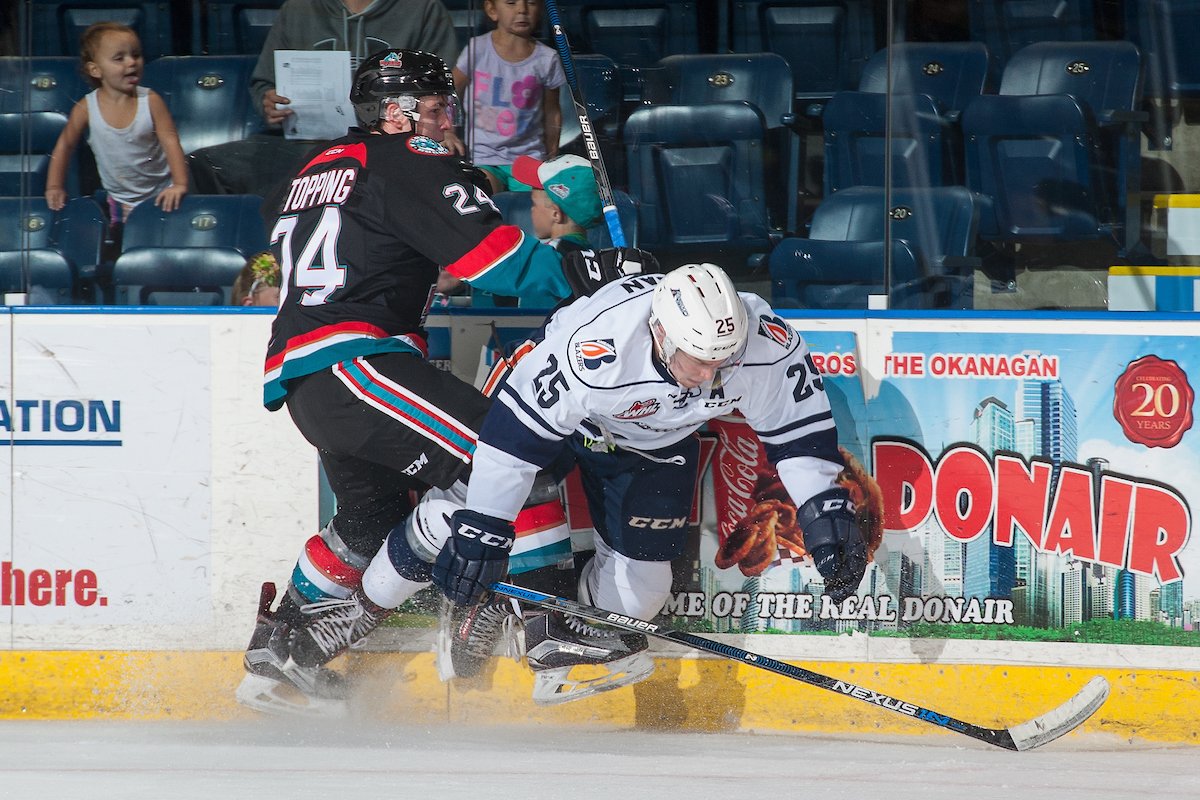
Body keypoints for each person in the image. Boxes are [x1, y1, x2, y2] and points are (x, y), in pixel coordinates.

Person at [235, 47, 652, 716]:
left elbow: (427, 205)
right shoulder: (407, 161)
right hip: (357, 362)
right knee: (515, 449)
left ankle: (278, 654)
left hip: (310, 376)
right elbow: (498, 262)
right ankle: (549, 637)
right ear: (397, 114)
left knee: (370, 521)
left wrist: (509, 175)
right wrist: (594, 274)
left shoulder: (317, 169)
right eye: (435, 105)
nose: (448, 116)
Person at [426, 262, 870, 703]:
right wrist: (482, 527)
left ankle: (536, 614)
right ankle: (524, 607)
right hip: (569, 421)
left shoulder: (766, 344)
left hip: (654, 438)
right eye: (697, 362)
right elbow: (512, 446)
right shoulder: (594, 349)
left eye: (724, 361)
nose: (708, 379)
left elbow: (799, 437)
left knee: (638, 601)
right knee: (502, 497)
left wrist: (825, 513)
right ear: (661, 333)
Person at [189, 0, 461, 196]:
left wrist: (440, 127)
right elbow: (264, 84)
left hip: (389, 145)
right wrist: (268, 102)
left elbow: (444, 92)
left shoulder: (424, 8)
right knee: (207, 164)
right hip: (307, 144)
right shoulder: (298, 8)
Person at [44, 22, 189, 224]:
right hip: (120, 201)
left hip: (162, 194)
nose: (131, 63)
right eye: (119, 58)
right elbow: (64, 146)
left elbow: (171, 142)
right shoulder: (86, 108)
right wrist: (54, 186)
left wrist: (180, 184)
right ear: (95, 70)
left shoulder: (151, 100)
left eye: (136, 55)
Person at [454, 0, 564, 195]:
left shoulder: (548, 59)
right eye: (511, 3)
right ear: (492, 9)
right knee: (485, 199)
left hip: (529, 158)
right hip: (483, 157)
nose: (522, 10)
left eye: (530, 3)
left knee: (538, 206)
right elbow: (451, 90)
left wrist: (551, 152)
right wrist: (449, 132)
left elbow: (552, 110)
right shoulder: (477, 49)